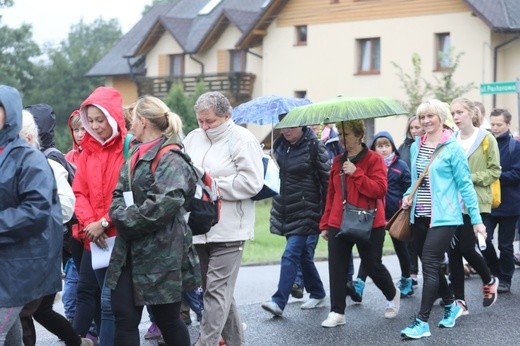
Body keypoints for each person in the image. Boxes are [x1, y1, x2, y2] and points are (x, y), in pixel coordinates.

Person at [106, 95, 199, 346]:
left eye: (133, 118)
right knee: (123, 316)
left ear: (144, 121)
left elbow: (164, 204)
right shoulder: (135, 151)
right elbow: (117, 193)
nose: (129, 123)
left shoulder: (172, 157)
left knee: (166, 319)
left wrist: (125, 220)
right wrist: (119, 215)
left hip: (162, 253)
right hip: (128, 251)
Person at [400, 99, 485, 340]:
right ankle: (450, 303)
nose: (425, 121)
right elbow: (415, 180)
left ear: (441, 117)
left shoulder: (452, 148)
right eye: (422, 117)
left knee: (429, 264)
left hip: (445, 217)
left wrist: (477, 220)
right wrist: (408, 197)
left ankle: (422, 321)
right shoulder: (417, 145)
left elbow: (465, 185)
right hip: (419, 215)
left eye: (430, 117)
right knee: (433, 265)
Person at [183, 91, 264, 346]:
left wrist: (211, 185)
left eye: (211, 121)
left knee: (216, 292)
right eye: (200, 121)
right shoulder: (192, 139)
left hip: (231, 229)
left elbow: (252, 183)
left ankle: (204, 343)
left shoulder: (243, 139)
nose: (205, 127)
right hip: (199, 227)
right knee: (216, 291)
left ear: (227, 116)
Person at [18, 109, 93, 346]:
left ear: (30, 137)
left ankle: (81, 340)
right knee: (36, 311)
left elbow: (66, 206)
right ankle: (79, 341)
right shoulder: (13, 163)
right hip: (29, 251)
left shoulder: (48, 162)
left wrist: (27, 218)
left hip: (45, 249)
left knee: (27, 311)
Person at [319, 120, 401, 328]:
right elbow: (331, 194)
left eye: (346, 134)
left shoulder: (374, 160)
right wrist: (326, 223)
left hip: (369, 221)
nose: (342, 138)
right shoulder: (337, 161)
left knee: (373, 266)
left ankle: (392, 294)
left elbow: (379, 190)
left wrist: (356, 173)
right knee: (336, 267)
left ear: (359, 136)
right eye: (340, 134)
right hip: (339, 220)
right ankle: (337, 312)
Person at [0, 85, 62, 345]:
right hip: (5, 261)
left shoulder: (29, 159)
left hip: (22, 264)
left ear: (10, 114)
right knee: (11, 336)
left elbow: (36, 211)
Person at [72, 86, 127, 346]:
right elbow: (79, 193)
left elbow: (128, 193)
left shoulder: (127, 149)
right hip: (95, 238)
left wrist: (105, 222)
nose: (95, 125)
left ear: (112, 116)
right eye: (90, 120)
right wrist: (89, 225)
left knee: (109, 304)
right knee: (106, 304)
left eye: (99, 119)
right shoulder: (87, 151)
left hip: (121, 236)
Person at [260, 120, 329, 317]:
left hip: (308, 209)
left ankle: (278, 301)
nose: (286, 131)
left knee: (290, 254)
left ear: (302, 126)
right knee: (303, 255)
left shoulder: (314, 145)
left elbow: (327, 181)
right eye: (283, 127)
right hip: (286, 208)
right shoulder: (280, 146)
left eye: (291, 127)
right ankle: (317, 291)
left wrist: (326, 214)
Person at [447, 97, 500, 314]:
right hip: (452, 203)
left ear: (471, 112)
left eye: (460, 112)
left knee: (467, 247)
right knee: (453, 253)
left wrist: (469, 177)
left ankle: (489, 279)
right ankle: (460, 302)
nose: (456, 117)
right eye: (453, 113)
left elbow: (495, 170)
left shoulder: (486, 138)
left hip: (475, 202)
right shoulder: (451, 139)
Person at [351, 131, 413, 299]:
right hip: (373, 215)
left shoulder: (401, 166)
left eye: (387, 145)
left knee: (401, 248)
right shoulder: (370, 165)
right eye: (379, 146)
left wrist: (405, 202)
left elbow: (409, 187)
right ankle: (359, 284)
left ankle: (407, 279)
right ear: (373, 148)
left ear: (392, 146)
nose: (383, 149)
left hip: (395, 215)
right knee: (369, 252)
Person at [480, 108, 520, 293]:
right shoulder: (485, 143)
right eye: (493, 124)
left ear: (508, 125)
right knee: (483, 240)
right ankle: (495, 272)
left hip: (509, 204)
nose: (495, 128)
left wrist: (495, 176)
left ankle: (505, 279)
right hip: (488, 203)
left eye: (499, 125)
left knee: (505, 245)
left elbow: (517, 174)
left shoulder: (515, 146)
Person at [398, 116, 423, 284]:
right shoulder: (404, 147)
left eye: (417, 127)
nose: (414, 131)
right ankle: (411, 275)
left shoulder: (425, 146)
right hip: (406, 197)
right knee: (408, 240)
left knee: (421, 242)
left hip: (422, 198)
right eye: (411, 128)